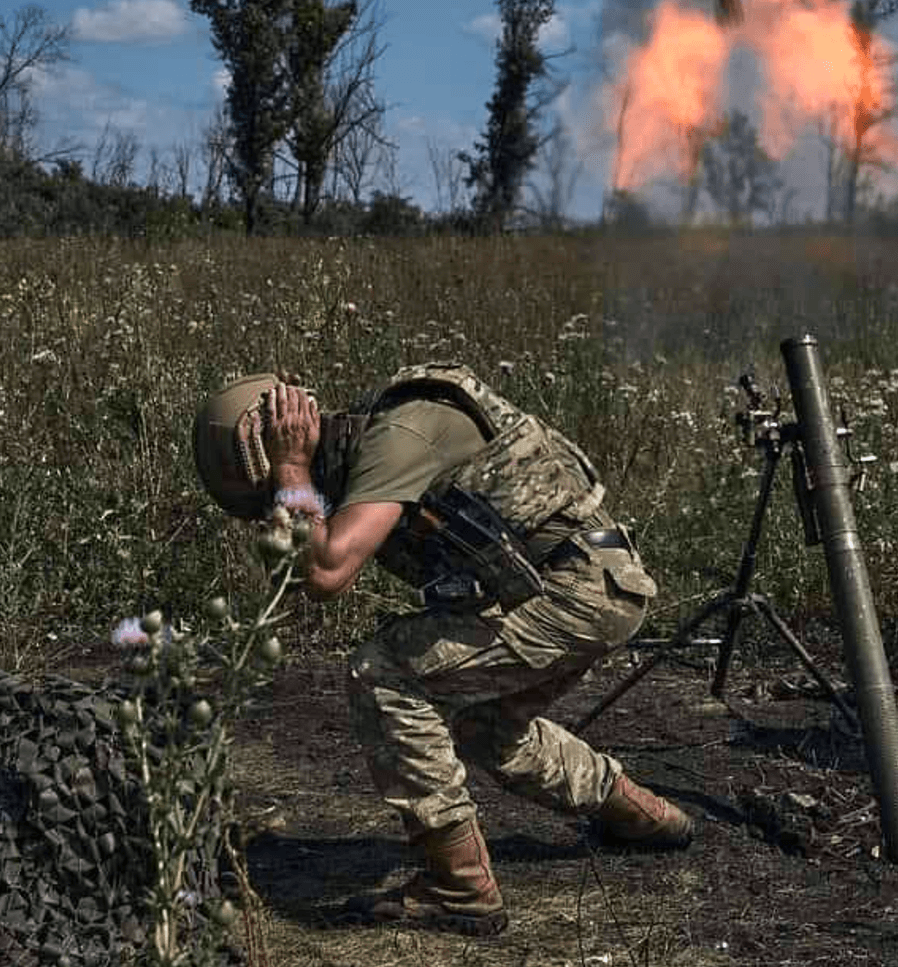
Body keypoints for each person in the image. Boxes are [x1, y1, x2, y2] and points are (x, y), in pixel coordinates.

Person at [192, 363, 694, 936]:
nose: (282, 505)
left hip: (576, 587)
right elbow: (304, 569)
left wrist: (288, 468)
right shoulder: (375, 447)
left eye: (274, 499)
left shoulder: (395, 435)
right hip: (580, 587)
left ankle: (459, 886)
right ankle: (645, 817)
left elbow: (327, 571)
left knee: (382, 670)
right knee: (488, 729)